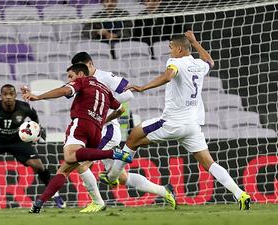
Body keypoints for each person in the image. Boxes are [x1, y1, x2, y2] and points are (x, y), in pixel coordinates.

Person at [101, 31, 251, 210]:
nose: (169, 51)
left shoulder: (175, 62)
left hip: (172, 123)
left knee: (133, 136)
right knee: (209, 163)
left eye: (171, 48)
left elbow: (168, 76)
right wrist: (195, 42)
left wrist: (143, 87)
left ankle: (111, 177)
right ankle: (239, 193)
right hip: (192, 126)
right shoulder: (198, 64)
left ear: (179, 49)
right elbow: (210, 61)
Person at [71, 52, 177, 213]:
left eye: (84, 68)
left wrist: (105, 103)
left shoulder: (105, 77)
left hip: (107, 131)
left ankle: (97, 202)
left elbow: (128, 94)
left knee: (82, 163)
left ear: (91, 64)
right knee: (121, 177)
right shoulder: (83, 82)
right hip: (97, 130)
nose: (81, 72)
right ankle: (164, 190)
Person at [22, 63, 132, 213]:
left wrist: (38, 97)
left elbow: (65, 90)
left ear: (80, 74)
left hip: (81, 124)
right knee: (64, 169)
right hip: (96, 131)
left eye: (70, 76)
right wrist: (103, 121)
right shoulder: (105, 89)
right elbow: (121, 109)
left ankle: (112, 153)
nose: (69, 79)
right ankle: (38, 203)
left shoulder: (83, 81)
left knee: (69, 155)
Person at [0, 84, 65, 209]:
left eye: (11, 94)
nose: (8, 97)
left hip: (18, 141)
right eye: (5, 94)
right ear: (1, 96)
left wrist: (38, 129)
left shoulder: (24, 107)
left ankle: (55, 194)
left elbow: (34, 117)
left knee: (38, 165)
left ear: (15, 95)